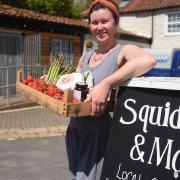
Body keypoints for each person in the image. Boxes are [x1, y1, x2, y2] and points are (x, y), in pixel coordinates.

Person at [65, 0, 156, 180]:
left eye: (105, 21)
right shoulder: (86, 56)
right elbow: (75, 86)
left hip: (100, 138)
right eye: (94, 22)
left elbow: (148, 61)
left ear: (115, 23)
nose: (99, 27)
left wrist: (106, 83)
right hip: (75, 132)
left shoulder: (122, 52)